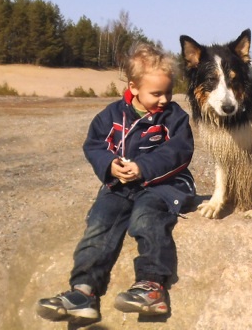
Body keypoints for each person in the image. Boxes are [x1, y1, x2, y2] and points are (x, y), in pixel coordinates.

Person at [37, 42, 196, 325]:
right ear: (134, 87)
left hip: (165, 184)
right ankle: (83, 292)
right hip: (121, 184)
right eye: (156, 93)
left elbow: (179, 152)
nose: (164, 99)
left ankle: (152, 287)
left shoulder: (174, 117)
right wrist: (110, 166)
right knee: (99, 221)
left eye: (169, 92)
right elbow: (95, 145)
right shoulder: (111, 115)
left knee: (146, 219)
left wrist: (143, 167)